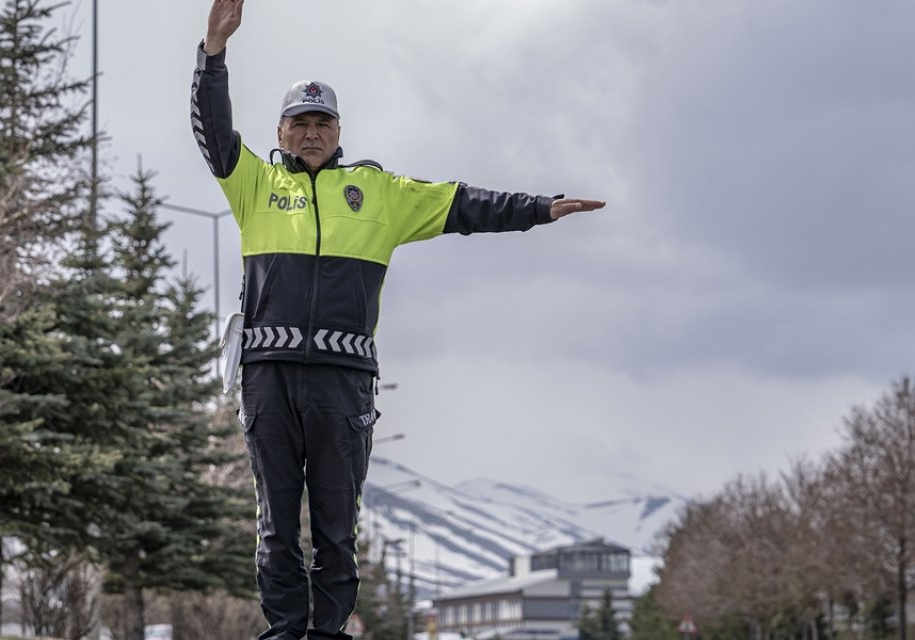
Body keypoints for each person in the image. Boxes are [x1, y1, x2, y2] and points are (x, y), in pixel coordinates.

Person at [191, 1, 605, 638]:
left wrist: (540, 207)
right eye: (298, 122)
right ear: (279, 132)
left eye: (322, 122)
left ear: (338, 130)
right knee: (276, 522)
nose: (310, 133)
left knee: (336, 523)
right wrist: (214, 52)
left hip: (343, 379)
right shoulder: (251, 186)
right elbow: (213, 132)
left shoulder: (379, 193)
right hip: (268, 375)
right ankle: (282, 633)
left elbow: (464, 205)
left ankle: (327, 634)